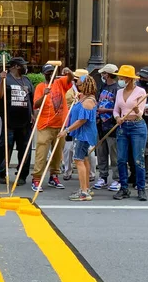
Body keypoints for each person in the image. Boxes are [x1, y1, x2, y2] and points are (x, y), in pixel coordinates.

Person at [30, 64, 73, 192]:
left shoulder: (60, 83)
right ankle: (37, 178)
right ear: (44, 74)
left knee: (57, 153)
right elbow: (36, 105)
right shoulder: (40, 87)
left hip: (60, 126)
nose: (51, 74)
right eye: (48, 72)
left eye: (53, 72)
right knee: (41, 152)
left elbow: (71, 79)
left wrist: (69, 71)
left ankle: (54, 176)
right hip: (45, 125)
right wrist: (44, 95)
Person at [0, 57, 34, 185]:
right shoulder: (5, 79)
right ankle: (2, 173)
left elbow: (31, 100)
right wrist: (2, 80)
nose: (26, 67)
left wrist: (33, 114)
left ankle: (22, 175)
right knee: (5, 148)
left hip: (25, 122)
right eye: (24, 65)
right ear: (16, 66)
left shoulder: (27, 80)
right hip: (8, 122)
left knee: (25, 149)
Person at [59, 75, 98, 201]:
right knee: (84, 160)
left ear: (85, 85)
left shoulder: (88, 102)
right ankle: (85, 187)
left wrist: (67, 130)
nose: (78, 86)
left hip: (83, 135)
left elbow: (82, 120)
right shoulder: (85, 98)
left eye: (80, 84)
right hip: (83, 134)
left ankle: (84, 192)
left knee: (78, 160)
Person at [112, 65, 148, 201]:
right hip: (123, 126)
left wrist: (137, 109)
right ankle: (124, 188)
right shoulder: (119, 92)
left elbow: (141, 114)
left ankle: (141, 188)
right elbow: (116, 110)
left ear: (129, 78)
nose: (120, 79)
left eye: (122, 77)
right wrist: (117, 118)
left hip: (137, 127)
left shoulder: (141, 92)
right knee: (121, 159)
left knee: (138, 159)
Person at [93, 64, 121, 191]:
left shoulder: (117, 89)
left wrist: (106, 110)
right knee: (101, 153)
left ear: (108, 74)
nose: (102, 75)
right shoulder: (102, 87)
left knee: (114, 154)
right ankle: (103, 176)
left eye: (104, 73)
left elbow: (119, 108)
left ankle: (117, 178)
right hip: (100, 124)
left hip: (112, 125)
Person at [62, 69, 88, 182]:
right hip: (69, 119)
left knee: (86, 151)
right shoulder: (69, 87)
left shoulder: (89, 92)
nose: (76, 81)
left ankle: (90, 175)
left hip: (83, 124)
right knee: (68, 147)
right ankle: (67, 171)